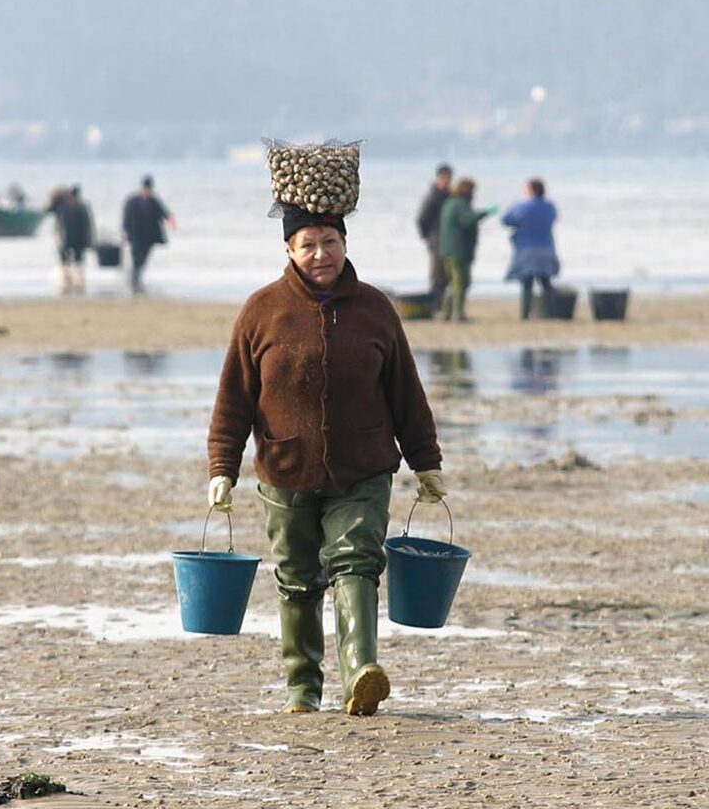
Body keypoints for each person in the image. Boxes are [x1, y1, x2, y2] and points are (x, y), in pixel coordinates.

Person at [207, 194, 447, 717]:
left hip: (363, 467)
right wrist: (222, 468)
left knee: (357, 562)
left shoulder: (376, 310)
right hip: (285, 469)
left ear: (345, 244)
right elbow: (233, 399)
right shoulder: (261, 311)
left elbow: (407, 392)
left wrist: (426, 461)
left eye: (331, 242)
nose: (321, 254)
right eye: (309, 245)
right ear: (289, 250)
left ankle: (361, 671)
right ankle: (302, 688)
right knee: (295, 578)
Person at [438, 177, 496, 322]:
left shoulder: (450, 202)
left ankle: (446, 313)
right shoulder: (461, 204)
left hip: (448, 250)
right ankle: (457, 314)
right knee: (460, 283)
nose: (474, 194)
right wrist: (485, 212)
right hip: (459, 251)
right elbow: (468, 220)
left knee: (453, 283)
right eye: (473, 191)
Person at [502, 178, 559, 319]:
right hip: (547, 248)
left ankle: (525, 314)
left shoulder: (522, 207)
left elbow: (506, 219)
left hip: (526, 249)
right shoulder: (549, 207)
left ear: (531, 190)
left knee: (527, 283)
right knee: (546, 282)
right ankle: (551, 312)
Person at [121, 174, 173, 294]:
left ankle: (137, 277)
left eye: (149, 189)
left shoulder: (154, 201)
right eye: (145, 188)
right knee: (136, 256)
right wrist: (124, 231)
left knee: (144, 258)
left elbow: (163, 212)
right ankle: (134, 279)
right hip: (135, 234)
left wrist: (170, 219)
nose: (147, 191)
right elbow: (126, 217)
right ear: (142, 188)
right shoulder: (132, 201)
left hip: (149, 236)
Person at [415, 163, 453, 311]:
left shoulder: (449, 195)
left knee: (446, 275)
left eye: (449, 178)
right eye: (444, 178)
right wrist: (428, 237)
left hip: (447, 240)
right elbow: (422, 219)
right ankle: (435, 306)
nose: (447, 181)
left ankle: (442, 306)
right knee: (437, 275)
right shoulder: (433, 196)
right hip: (436, 239)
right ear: (438, 178)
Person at [57, 185, 94, 293]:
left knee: (79, 262)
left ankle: (78, 283)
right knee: (65, 262)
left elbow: (87, 225)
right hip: (66, 239)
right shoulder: (63, 207)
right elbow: (58, 225)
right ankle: (65, 282)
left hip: (79, 239)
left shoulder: (81, 207)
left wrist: (89, 240)